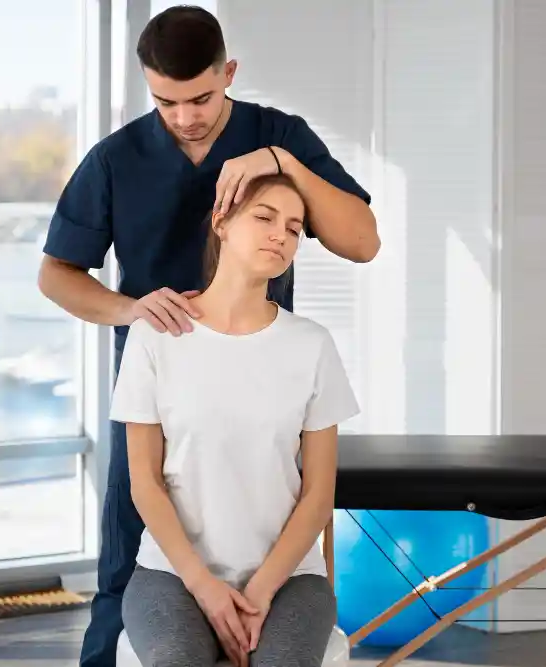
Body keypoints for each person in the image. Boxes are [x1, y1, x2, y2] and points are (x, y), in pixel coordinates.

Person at [37, 6, 378, 666]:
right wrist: (131, 311)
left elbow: (361, 239)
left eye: (201, 97)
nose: (186, 116)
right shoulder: (118, 158)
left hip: (261, 373)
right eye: (167, 100)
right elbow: (57, 274)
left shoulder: (279, 137)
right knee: (129, 562)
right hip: (159, 377)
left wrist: (284, 162)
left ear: (230, 73)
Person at [113, 173, 358, 667]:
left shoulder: (311, 344)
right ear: (221, 223)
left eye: (294, 228)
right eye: (265, 217)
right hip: (171, 574)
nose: (280, 235)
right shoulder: (156, 336)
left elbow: (318, 495)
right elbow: (144, 483)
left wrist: (261, 593)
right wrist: (204, 588)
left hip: (289, 580)